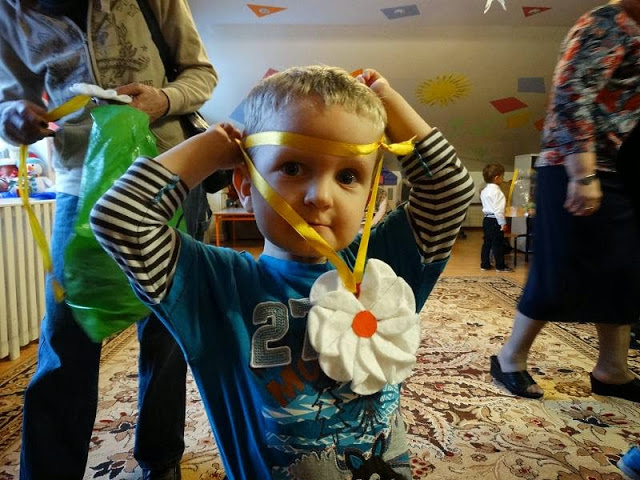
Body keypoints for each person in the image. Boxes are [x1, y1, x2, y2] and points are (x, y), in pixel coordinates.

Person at [90, 66, 475, 479]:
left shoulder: (384, 269)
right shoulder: (214, 286)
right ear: (245, 185)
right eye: (292, 168)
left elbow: (448, 190)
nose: (320, 196)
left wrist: (387, 102)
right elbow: (120, 219)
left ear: (368, 197)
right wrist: (208, 149)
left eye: (348, 176)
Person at [0, 1, 217, 479]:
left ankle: (161, 460)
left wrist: (163, 99)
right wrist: (12, 116)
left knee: (166, 331)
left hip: (167, 175)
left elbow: (201, 75)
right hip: (79, 182)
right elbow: (8, 101)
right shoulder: (8, 13)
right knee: (66, 334)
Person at [490, 0, 640, 401]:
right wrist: (582, 174)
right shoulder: (606, 24)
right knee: (557, 272)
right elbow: (572, 97)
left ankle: (612, 368)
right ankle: (509, 357)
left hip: (619, 168)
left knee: (622, 272)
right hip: (577, 167)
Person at [479, 163, 513, 272]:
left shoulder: (484, 191)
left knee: (487, 243)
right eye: (503, 176)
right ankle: (500, 266)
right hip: (495, 220)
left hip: (487, 219)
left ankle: (485, 264)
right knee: (497, 243)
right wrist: (502, 223)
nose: (503, 178)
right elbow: (498, 210)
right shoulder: (498, 192)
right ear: (497, 178)